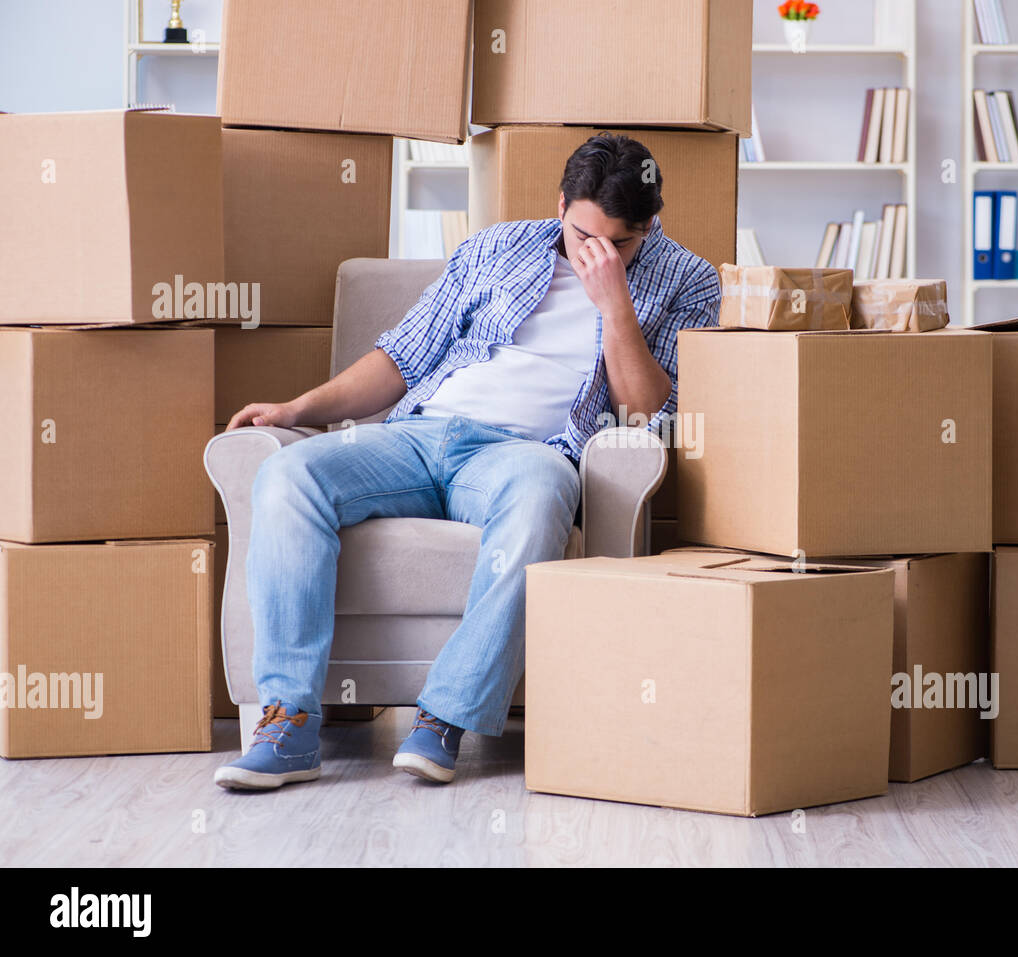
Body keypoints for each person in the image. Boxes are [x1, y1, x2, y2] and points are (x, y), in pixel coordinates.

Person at [213, 134, 721, 790]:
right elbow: (401, 358)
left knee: (541, 501)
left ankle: (444, 716)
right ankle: (289, 723)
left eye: (618, 243)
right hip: (423, 433)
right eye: (581, 233)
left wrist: (614, 302)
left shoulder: (689, 279)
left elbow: (645, 412)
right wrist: (296, 408)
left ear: (648, 227)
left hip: (527, 455)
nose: (595, 253)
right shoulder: (495, 247)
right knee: (286, 474)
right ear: (560, 202)